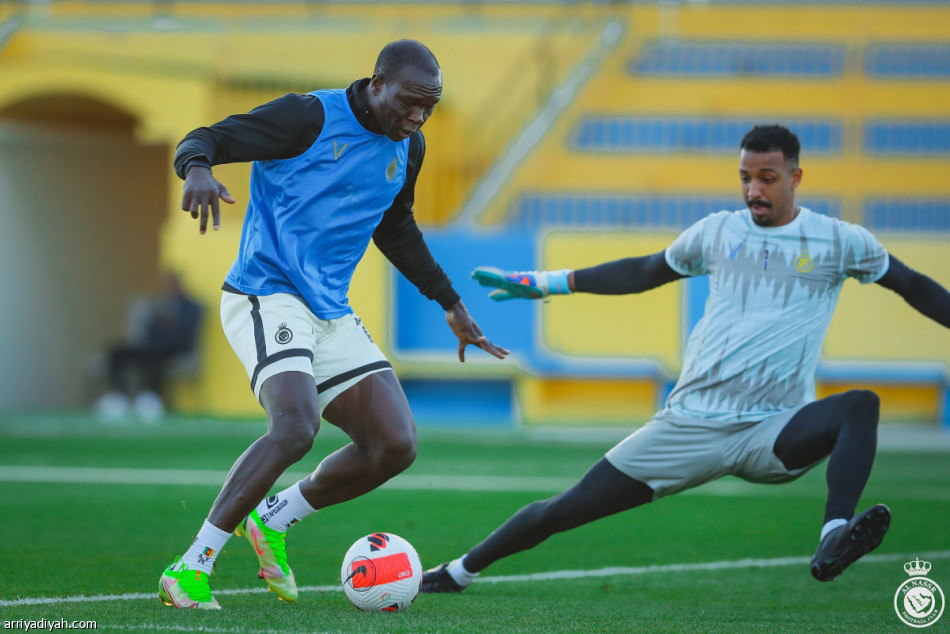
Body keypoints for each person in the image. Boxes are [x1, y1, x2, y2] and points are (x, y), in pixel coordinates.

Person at [421, 124, 950, 594]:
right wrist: (543, 283)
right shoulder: (718, 231)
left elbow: (913, 285)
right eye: (745, 177)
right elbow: (645, 271)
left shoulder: (839, 241)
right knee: (565, 509)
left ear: (795, 176)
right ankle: (458, 571)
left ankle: (835, 534)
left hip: (773, 429)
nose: (753, 190)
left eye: (767, 178)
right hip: (689, 425)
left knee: (859, 406)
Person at [158, 39, 508, 610]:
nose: (418, 117)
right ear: (376, 85)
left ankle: (272, 518)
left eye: (429, 108)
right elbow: (207, 139)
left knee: (394, 445)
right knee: (295, 427)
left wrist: (450, 301)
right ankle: (190, 568)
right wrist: (195, 169)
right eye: (409, 103)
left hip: (328, 310)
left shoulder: (408, 145)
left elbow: (395, 227)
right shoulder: (308, 116)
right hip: (265, 294)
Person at [95, 271, 202, 421]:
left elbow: (185, 333)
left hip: (173, 347)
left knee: (155, 358)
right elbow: (148, 330)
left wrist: (169, 324)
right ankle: (118, 396)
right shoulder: (156, 304)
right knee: (118, 351)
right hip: (150, 345)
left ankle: (150, 398)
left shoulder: (192, 307)